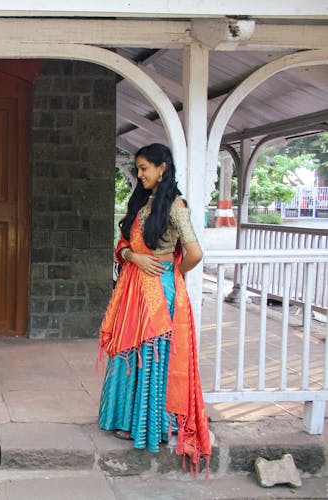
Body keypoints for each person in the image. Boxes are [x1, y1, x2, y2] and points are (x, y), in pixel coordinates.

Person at [98, 143, 211, 472]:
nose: (140, 174)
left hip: (158, 290)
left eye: (145, 168)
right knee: (126, 350)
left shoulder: (176, 206)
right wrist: (134, 257)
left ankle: (148, 425)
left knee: (150, 352)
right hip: (133, 285)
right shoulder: (140, 202)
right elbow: (122, 247)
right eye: (138, 168)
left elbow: (194, 253)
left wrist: (172, 274)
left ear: (163, 168)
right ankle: (123, 417)